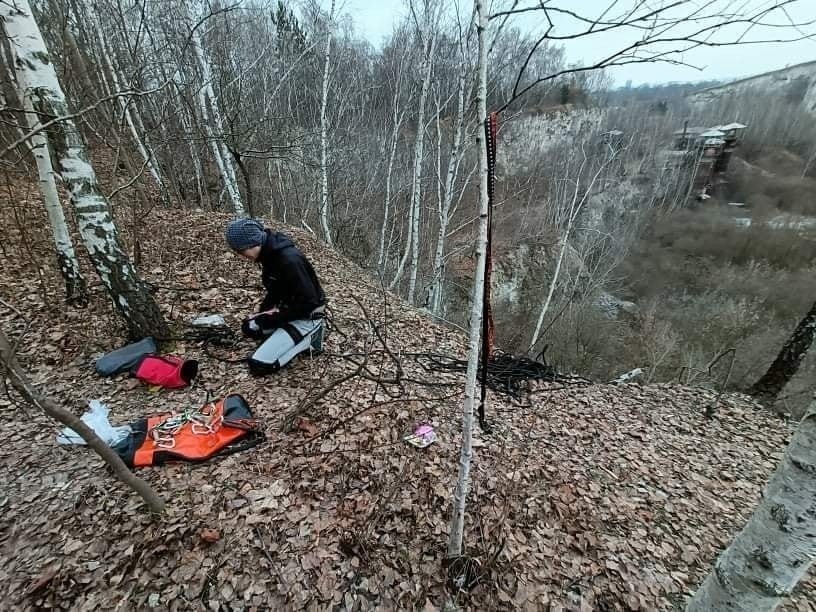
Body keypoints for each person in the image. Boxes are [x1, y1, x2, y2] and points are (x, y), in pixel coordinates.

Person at [225, 218, 326, 375]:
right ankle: (287, 334)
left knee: (258, 365)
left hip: (307, 317)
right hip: (288, 310)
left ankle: (311, 339)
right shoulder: (269, 256)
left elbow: (308, 302)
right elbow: (274, 292)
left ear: (253, 243)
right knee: (249, 327)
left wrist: (273, 318)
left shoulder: (289, 260)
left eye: (241, 250)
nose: (241, 255)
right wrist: (261, 314)